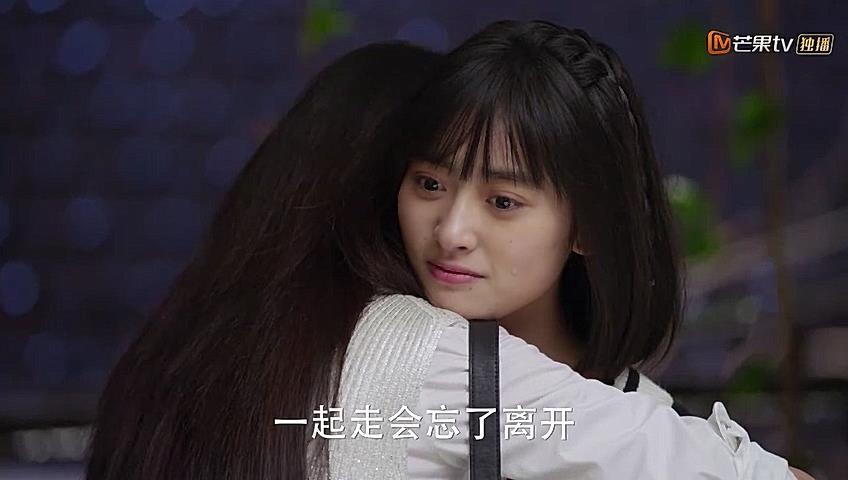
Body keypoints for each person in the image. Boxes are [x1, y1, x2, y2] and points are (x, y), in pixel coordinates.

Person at [335, 20, 809, 479]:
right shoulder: (386, 344)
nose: (451, 232)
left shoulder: (655, 426)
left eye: (503, 202)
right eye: (429, 184)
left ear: (587, 227)